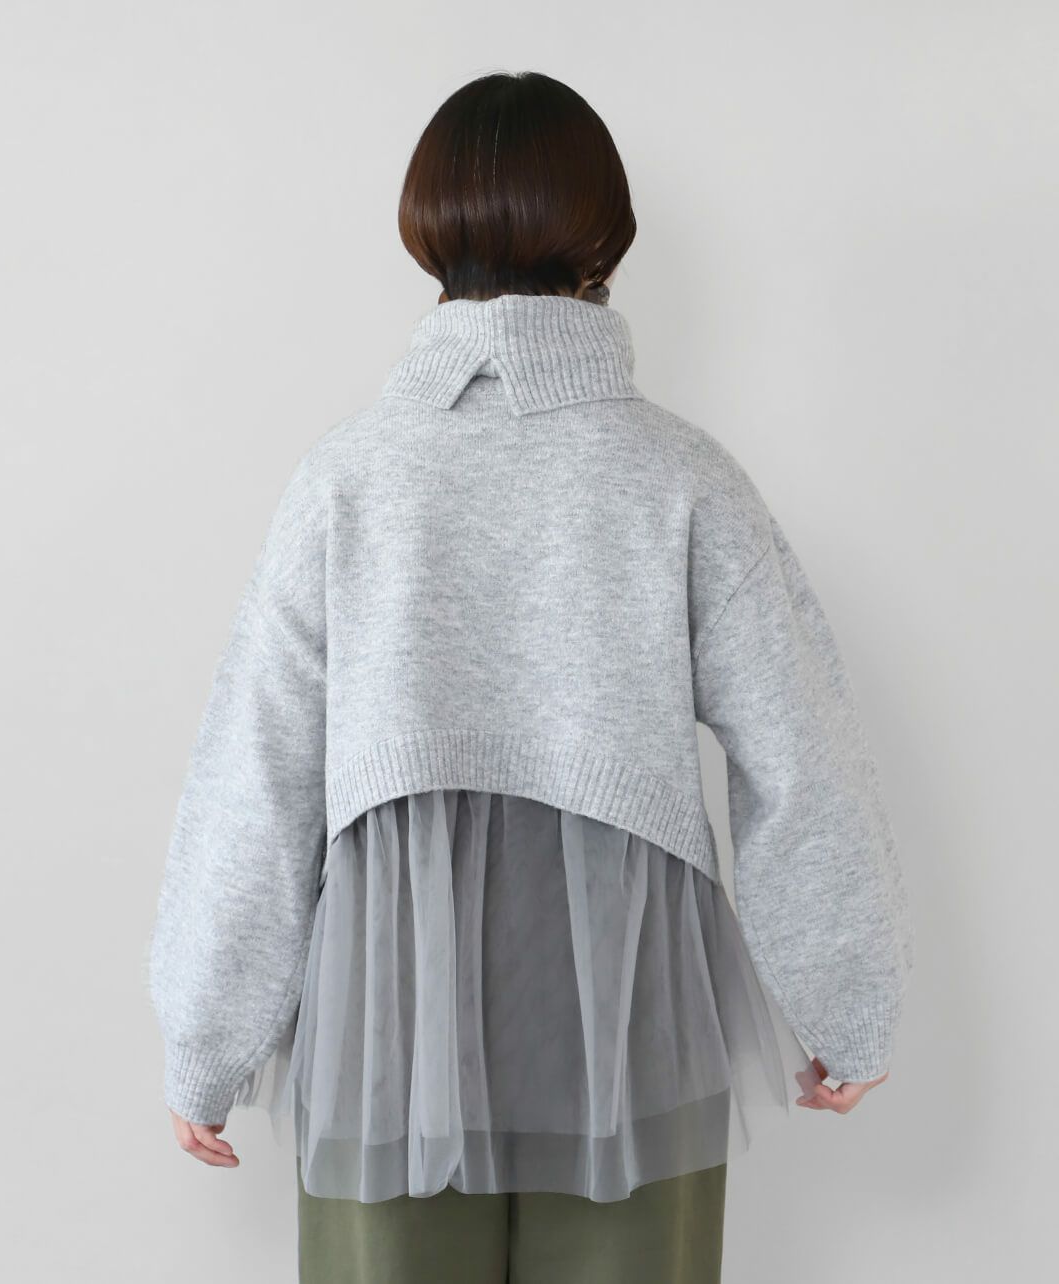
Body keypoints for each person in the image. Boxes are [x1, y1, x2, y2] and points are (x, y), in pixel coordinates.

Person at [146, 70, 915, 1284]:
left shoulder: (347, 480)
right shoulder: (680, 476)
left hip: (389, 1013)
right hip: (629, 998)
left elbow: (256, 774)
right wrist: (846, 1001)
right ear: (599, 237)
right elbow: (799, 756)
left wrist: (205, 1037)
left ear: (428, 233)